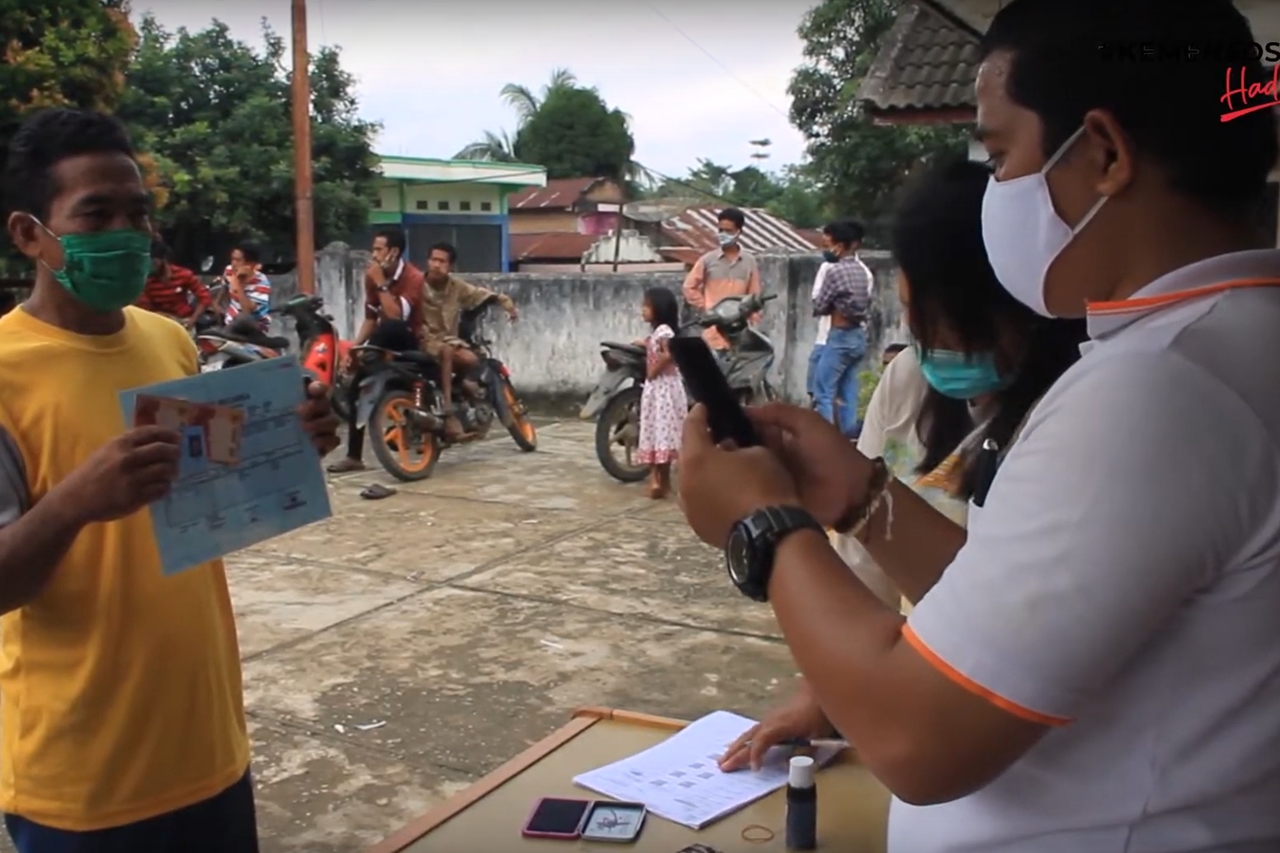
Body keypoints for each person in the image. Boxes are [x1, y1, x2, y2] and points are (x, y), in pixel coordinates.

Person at [676, 0, 1280, 849]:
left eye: (1000, 155)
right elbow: (1022, 607)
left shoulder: (1159, 387)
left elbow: (919, 741)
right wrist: (857, 497)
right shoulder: (1225, 347)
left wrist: (764, 525)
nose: (995, 188)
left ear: (1103, 153)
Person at [0, 107, 339, 852]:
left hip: (208, 743)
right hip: (83, 777)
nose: (127, 232)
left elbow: (206, 500)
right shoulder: (5, 373)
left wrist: (290, 443)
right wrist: (75, 504)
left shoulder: (168, 340)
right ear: (29, 233)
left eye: (137, 212)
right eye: (96, 214)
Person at [327, 227, 425, 473]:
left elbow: (396, 317)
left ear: (393, 252)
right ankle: (354, 455)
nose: (374, 255)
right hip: (382, 339)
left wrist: (381, 284)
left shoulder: (413, 277)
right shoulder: (372, 276)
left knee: (391, 326)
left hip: (411, 338)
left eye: (378, 249)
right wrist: (356, 349)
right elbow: (371, 318)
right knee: (356, 385)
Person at [419, 242, 518, 438]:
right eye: (433, 260)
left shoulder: (457, 287)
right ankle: (448, 410)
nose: (436, 265)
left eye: (442, 261)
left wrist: (507, 305)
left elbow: (480, 294)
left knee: (471, 358)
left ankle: (461, 389)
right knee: (448, 352)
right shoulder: (417, 286)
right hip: (425, 340)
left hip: (449, 341)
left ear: (451, 266)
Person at [811, 220, 872, 438]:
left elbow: (819, 305)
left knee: (823, 391)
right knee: (848, 391)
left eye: (829, 245)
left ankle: (825, 439)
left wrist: (828, 306)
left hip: (839, 337)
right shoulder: (862, 272)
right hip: (857, 337)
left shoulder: (834, 271)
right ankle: (850, 437)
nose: (827, 250)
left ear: (840, 246)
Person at [681, 207, 761, 354]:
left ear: (739, 231)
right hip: (713, 329)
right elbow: (689, 286)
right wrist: (705, 306)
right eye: (721, 230)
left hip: (739, 330)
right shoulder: (708, 260)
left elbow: (754, 295)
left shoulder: (749, 262)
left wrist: (753, 322)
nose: (724, 235)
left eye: (729, 231)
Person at [635, 287, 688, 500]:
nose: (643, 310)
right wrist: (645, 343)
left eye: (647, 306)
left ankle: (656, 479)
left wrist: (652, 370)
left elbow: (668, 354)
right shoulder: (660, 332)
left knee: (658, 431)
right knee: (660, 432)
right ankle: (661, 480)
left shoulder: (664, 331)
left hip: (661, 387)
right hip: (662, 388)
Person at [136, 237, 212, 329]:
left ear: (163, 260)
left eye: (154, 263)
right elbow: (144, 307)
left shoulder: (183, 274)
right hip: (159, 321)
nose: (151, 267)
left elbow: (205, 298)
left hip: (183, 320)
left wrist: (192, 320)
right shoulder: (145, 279)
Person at [223, 241, 271, 332]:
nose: (233, 264)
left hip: (254, 327)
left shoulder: (261, 282)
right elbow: (224, 285)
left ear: (251, 264)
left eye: (238, 260)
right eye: (232, 259)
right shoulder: (229, 271)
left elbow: (247, 312)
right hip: (230, 322)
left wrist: (239, 285)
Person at [805, 256, 834, 406]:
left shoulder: (861, 272)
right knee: (814, 388)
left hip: (837, 339)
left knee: (826, 392)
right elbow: (817, 301)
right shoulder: (826, 267)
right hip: (823, 338)